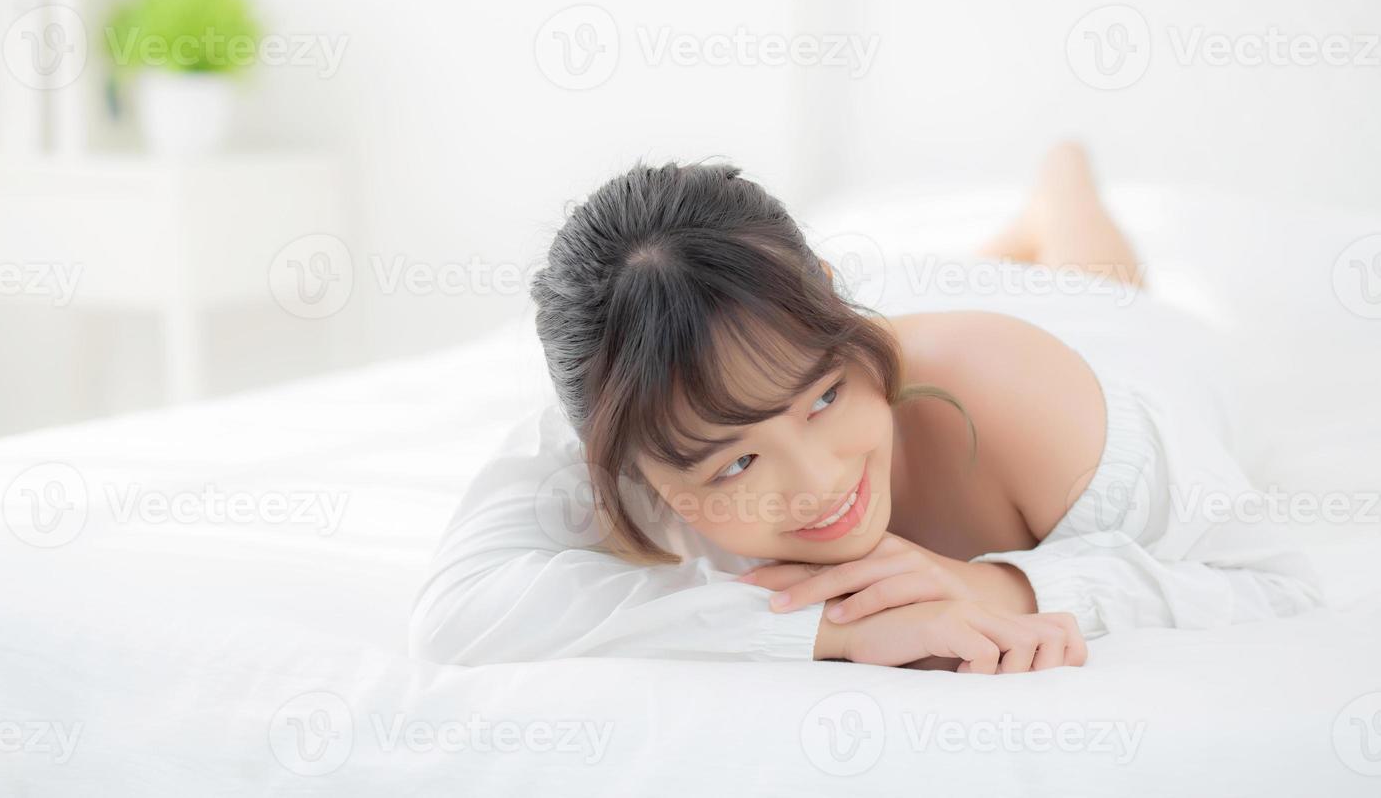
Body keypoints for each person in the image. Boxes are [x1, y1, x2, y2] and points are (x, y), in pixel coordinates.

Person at [409, 145, 1324, 673]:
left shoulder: (1023, 392)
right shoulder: (628, 416)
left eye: (822, 401)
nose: (819, 486)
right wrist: (835, 625)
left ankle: (1064, 186)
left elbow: (1276, 586)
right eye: (734, 463)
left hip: (1106, 349)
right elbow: (458, 614)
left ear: (842, 318)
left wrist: (1002, 588)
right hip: (862, 336)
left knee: (1095, 282)